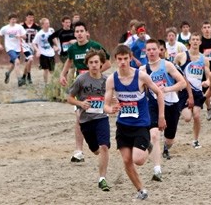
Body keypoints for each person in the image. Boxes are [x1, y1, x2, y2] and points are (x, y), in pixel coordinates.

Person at [103, 44, 165, 201]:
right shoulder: (112, 79)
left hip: (140, 125)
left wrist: (161, 117)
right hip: (123, 125)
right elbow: (105, 105)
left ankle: (149, 146)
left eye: (125, 58)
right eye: (120, 59)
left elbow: (159, 93)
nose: (123, 62)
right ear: (115, 60)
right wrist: (110, 109)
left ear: (130, 58)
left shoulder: (141, 76)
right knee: (126, 160)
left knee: (138, 160)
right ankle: (141, 190)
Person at [59, 21, 111, 164]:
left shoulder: (95, 46)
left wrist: (95, 73)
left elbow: (108, 62)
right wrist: (63, 74)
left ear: (87, 33)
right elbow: (69, 61)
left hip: (95, 86)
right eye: (77, 32)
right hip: (80, 87)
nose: (79, 34)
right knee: (79, 116)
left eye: (82, 31)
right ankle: (79, 151)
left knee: (96, 114)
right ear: (74, 34)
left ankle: (99, 143)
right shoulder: (73, 48)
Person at [66, 49, 112, 191]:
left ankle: (102, 179)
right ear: (87, 64)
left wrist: (112, 103)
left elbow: (112, 98)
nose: (93, 65)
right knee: (96, 149)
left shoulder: (107, 80)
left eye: (96, 62)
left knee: (104, 146)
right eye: (91, 62)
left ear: (101, 63)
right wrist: (80, 104)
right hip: (86, 121)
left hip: (101, 117)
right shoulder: (81, 79)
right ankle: (97, 155)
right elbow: (69, 98)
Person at [141, 39, 186, 181]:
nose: (151, 52)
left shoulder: (167, 65)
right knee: (154, 134)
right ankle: (157, 169)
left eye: (154, 49)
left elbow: (182, 83)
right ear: (145, 52)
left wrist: (167, 89)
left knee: (169, 139)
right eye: (148, 50)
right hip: (153, 103)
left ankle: (165, 147)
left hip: (171, 103)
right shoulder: (143, 70)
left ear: (159, 50)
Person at [175, 33, 210, 149]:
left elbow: (208, 75)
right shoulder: (181, 56)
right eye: (193, 39)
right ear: (189, 42)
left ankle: (195, 140)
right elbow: (174, 73)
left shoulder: (204, 59)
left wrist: (208, 82)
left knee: (196, 115)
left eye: (197, 40)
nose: (195, 42)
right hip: (184, 91)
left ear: (200, 42)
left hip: (198, 91)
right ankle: (179, 108)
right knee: (187, 118)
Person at [0, 13, 26, 85]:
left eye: (15, 19)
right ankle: (19, 79)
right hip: (9, 48)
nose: (14, 20)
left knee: (14, 64)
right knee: (17, 62)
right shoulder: (5, 28)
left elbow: (25, 36)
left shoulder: (19, 27)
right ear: (9, 20)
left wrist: (20, 36)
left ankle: (8, 73)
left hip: (17, 48)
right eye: (12, 19)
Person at [199, 21, 211, 123]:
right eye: (204, 27)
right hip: (204, 69)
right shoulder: (200, 42)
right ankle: (209, 107)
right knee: (206, 91)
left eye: (208, 27)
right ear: (202, 30)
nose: (207, 29)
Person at [32, 18, 55, 84]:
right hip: (43, 54)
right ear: (42, 25)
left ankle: (53, 83)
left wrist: (56, 46)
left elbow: (54, 39)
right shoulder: (39, 34)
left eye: (48, 23)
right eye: (46, 23)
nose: (48, 24)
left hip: (51, 53)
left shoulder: (51, 30)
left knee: (52, 70)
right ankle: (46, 84)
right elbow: (33, 43)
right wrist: (37, 51)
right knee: (46, 69)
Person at [21, 11, 40, 85]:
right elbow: (17, 33)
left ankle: (23, 77)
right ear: (26, 17)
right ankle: (29, 76)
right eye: (29, 17)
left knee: (28, 62)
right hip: (24, 45)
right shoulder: (22, 25)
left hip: (32, 46)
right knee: (30, 59)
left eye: (32, 17)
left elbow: (41, 34)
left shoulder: (36, 26)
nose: (31, 18)